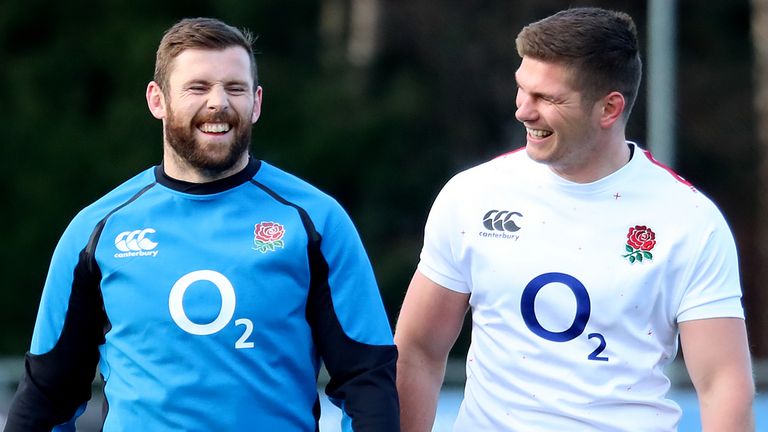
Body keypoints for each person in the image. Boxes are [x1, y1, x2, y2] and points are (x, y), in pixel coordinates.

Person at [4, 17, 399, 432]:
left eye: (235, 88)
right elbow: (48, 395)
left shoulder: (315, 221)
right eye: (198, 87)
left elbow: (366, 380)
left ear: (257, 102)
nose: (218, 103)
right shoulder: (97, 231)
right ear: (157, 100)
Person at [395, 7, 755, 431]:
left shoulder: (691, 221)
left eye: (546, 98)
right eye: (521, 89)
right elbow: (418, 350)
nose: (523, 111)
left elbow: (722, 385)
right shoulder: (472, 195)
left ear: (609, 109)